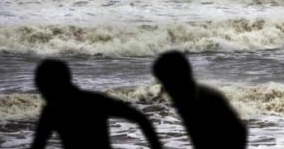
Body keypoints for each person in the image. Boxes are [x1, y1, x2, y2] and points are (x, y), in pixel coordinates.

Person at [31, 59, 162, 149]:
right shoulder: (94, 100)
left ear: (52, 85)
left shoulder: (52, 111)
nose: (41, 91)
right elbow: (141, 118)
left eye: (41, 86)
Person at [153, 51, 248, 149]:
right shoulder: (185, 98)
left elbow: (239, 131)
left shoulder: (206, 99)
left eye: (166, 82)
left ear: (179, 78)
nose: (164, 88)